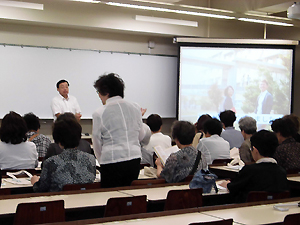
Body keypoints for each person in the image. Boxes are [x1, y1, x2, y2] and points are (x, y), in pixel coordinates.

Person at [92, 73, 148, 188]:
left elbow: (96, 141)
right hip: (134, 158)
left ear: (106, 92)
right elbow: (141, 134)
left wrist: (101, 160)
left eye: (99, 93)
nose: (99, 96)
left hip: (111, 159)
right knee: (129, 195)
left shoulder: (99, 112)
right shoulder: (135, 107)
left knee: (111, 198)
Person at [220, 130, 289, 203]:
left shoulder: (249, 170)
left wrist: (227, 184)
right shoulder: (281, 171)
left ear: (255, 150)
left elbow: (234, 188)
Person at [31, 115, 96, 192]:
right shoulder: (91, 159)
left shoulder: (51, 162)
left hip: (59, 201)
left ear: (58, 140)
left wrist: (35, 182)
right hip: (84, 200)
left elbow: (41, 189)